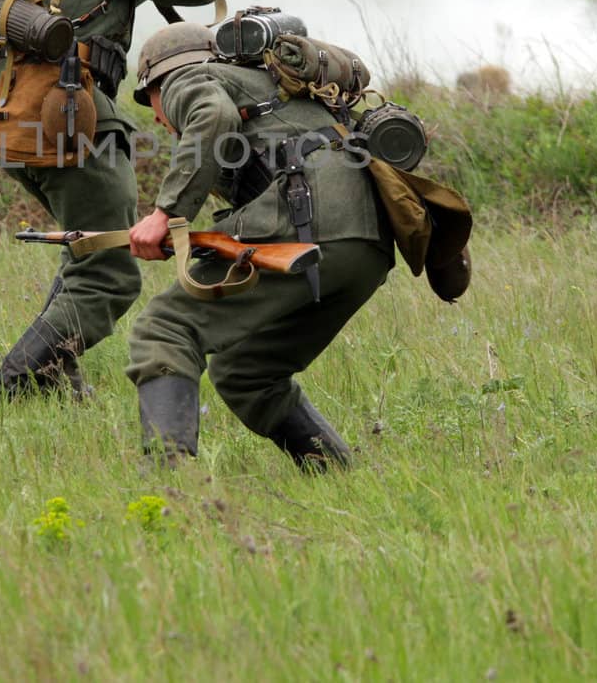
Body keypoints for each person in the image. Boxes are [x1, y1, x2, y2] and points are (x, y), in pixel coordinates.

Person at [0, 0, 221, 398]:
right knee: (110, 272)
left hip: (8, 118)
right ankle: (17, 381)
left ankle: (54, 380)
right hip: (64, 118)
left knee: (86, 248)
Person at [121, 23, 398, 471]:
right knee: (245, 372)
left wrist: (165, 213)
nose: (156, 115)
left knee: (164, 328)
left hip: (309, 228)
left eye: (148, 97)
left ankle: (165, 480)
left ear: (161, 78)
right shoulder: (278, 91)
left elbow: (211, 117)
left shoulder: (189, 79)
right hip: (368, 247)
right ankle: (339, 475)